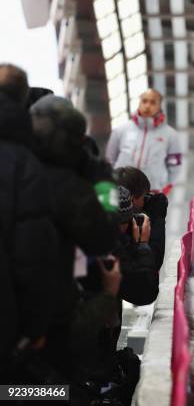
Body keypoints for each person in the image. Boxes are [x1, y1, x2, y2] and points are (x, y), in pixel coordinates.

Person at [26, 95, 119, 380]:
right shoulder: (68, 189)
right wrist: (105, 183)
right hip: (43, 322)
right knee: (53, 393)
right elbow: (105, 234)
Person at [0, 64, 59, 383]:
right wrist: (36, 328)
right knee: (35, 392)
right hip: (10, 322)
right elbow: (33, 256)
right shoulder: (27, 165)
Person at [106, 88, 182, 194]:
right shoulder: (121, 129)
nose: (147, 106)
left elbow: (175, 164)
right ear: (139, 102)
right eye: (144, 101)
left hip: (152, 190)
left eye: (152, 102)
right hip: (121, 187)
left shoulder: (170, 134)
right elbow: (110, 159)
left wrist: (168, 185)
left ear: (159, 106)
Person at [114, 166, 167, 270]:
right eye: (144, 197)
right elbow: (154, 262)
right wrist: (158, 218)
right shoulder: (128, 233)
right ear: (132, 199)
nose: (145, 202)